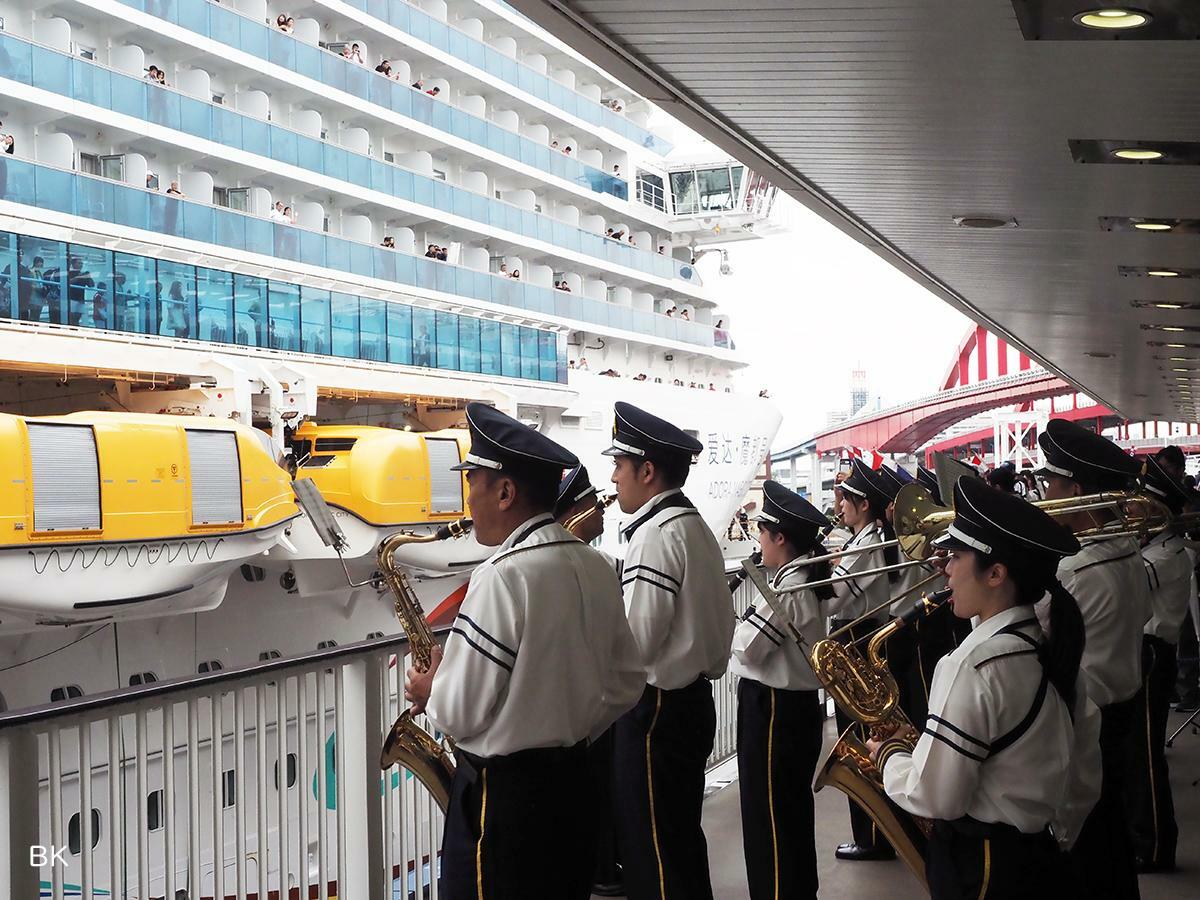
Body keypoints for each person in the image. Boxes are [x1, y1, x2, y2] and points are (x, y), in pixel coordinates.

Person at [407, 403, 644, 900]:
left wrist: (433, 687)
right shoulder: (597, 565)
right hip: (575, 784)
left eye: (473, 482)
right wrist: (569, 727)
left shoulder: (502, 576)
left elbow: (460, 710)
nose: (468, 499)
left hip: (505, 803)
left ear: (506, 491)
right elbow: (627, 683)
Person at [867, 475, 1101, 900]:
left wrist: (890, 756)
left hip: (982, 869)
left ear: (995, 573)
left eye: (955, 556)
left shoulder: (970, 667)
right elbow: (1083, 777)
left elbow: (937, 798)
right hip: (1038, 860)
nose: (944, 569)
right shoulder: (1052, 653)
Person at [604, 402, 733, 900]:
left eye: (620, 464)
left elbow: (637, 643)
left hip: (656, 711)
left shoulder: (655, 536)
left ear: (647, 470)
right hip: (691, 702)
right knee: (678, 841)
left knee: (651, 850)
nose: (613, 477)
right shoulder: (694, 527)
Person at [1035, 418, 1147, 899]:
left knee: (1084, 851)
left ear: (1075, 490)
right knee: (1111, 839)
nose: (1044, 494)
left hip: (1089, 724)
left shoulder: (1076, 572)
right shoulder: (1128, 552)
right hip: (1123, 708)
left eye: (1051, 483)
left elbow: (1012, 634)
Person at [732, 481, 833, 900]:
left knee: (769, 819)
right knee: (788, 816)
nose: (757, 540)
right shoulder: (803, 576)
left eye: (762, 532)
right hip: (792, 709)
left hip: (773, 710)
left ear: (779, 538)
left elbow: (747, 649)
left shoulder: (788, 587)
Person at [553, 465, 623, 894]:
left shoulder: (595, 564)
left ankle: (604, 870)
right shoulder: (598, 566)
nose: (602, 507)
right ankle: (602, 869)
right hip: (592, 706)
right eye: (592, 502)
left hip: (588, 707)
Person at [827, 457, 900, 861]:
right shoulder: (867, 539)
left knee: (861, 741)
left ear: (863, 506)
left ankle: (873, 836)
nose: (839, 507)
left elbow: (836, 596)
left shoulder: (867, 541)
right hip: (862, 637)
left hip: (857, 641)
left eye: (845, 500)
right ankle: (875, 833)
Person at [1127, 456, 1190, 871]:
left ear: (1157, 511)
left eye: (1137, 507)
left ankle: (1154, 846)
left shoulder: (1164, 555)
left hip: (1153, 653)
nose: (1129, 512)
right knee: (1136, 751)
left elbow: (1126, 584)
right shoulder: (1153, 548)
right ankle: (1145, 839)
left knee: (1147, 755)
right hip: (1143, 652)